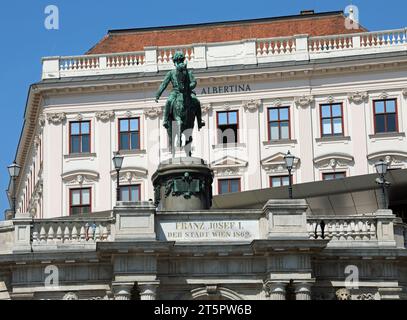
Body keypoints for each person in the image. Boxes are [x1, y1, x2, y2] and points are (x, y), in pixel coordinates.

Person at [155, 51, 205, 130]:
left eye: (181, 60)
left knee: (196, 101)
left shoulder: (189, 72)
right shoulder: (171, 73)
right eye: (178, 61)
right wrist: (158, 94)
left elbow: (194, 82)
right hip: (175, 92)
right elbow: (164, 84)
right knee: (169, 101)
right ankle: (165, 120)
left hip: (187, 91)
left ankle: (200, 120)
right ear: (175, 62)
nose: (179, 62)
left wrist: (188, 87)